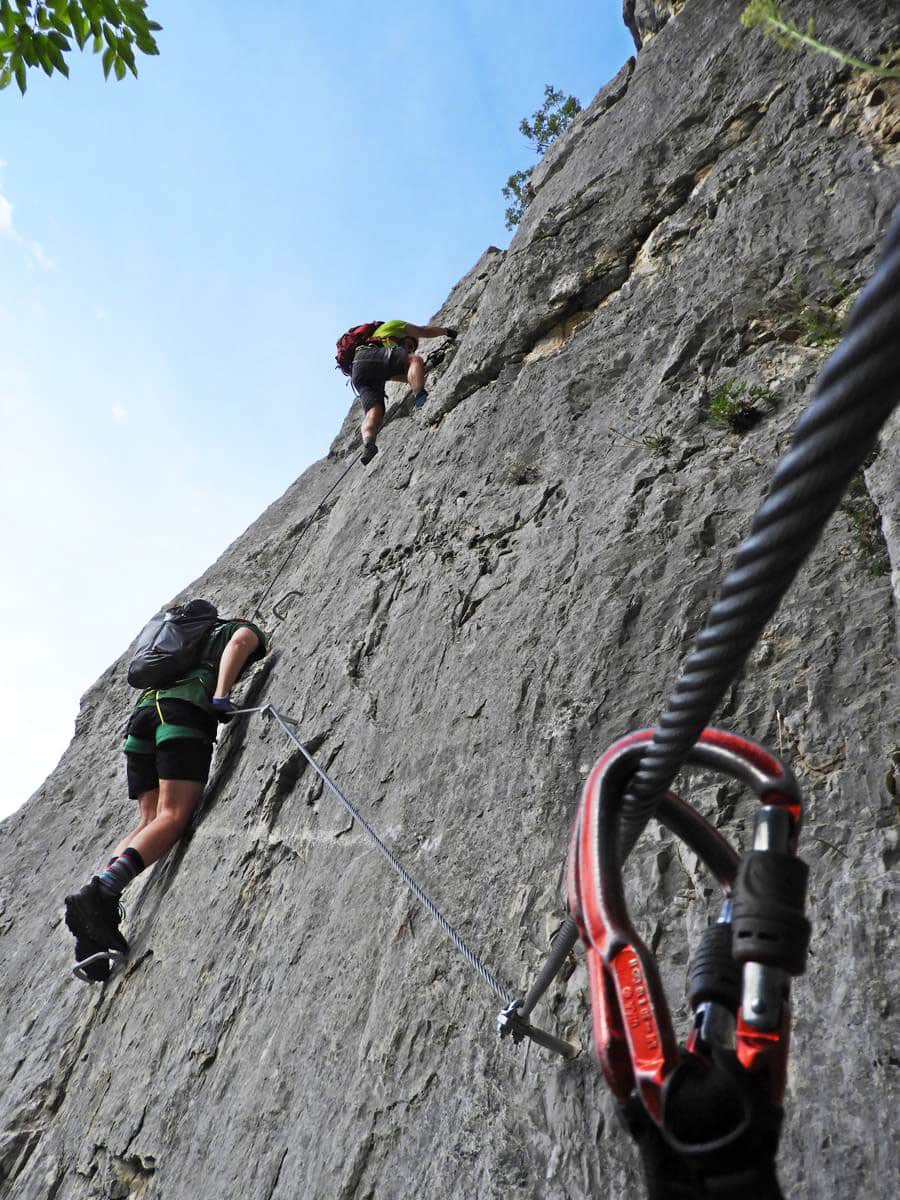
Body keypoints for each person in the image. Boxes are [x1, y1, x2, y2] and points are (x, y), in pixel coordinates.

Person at [64, 610, 267, 980]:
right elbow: (242, 643)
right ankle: (103, 894)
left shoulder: (172, 648)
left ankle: (98, 911)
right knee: (174, 816)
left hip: (141, 720)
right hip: (181, 713)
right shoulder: (234, 630)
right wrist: (221, 695)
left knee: (149, 818)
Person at [351, 320, 457, 464]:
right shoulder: (393, 327)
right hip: (367, 356)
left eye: (411, 349)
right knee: (415, 360)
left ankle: (368, 443)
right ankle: (421, 396)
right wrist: (447, 331)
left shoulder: (386, 358)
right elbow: (423, 331)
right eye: (409, 346)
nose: (408, 350)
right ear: (404, 337)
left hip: (359, 371)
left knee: (374, 412)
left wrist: (430, 364)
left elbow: (408, 378)